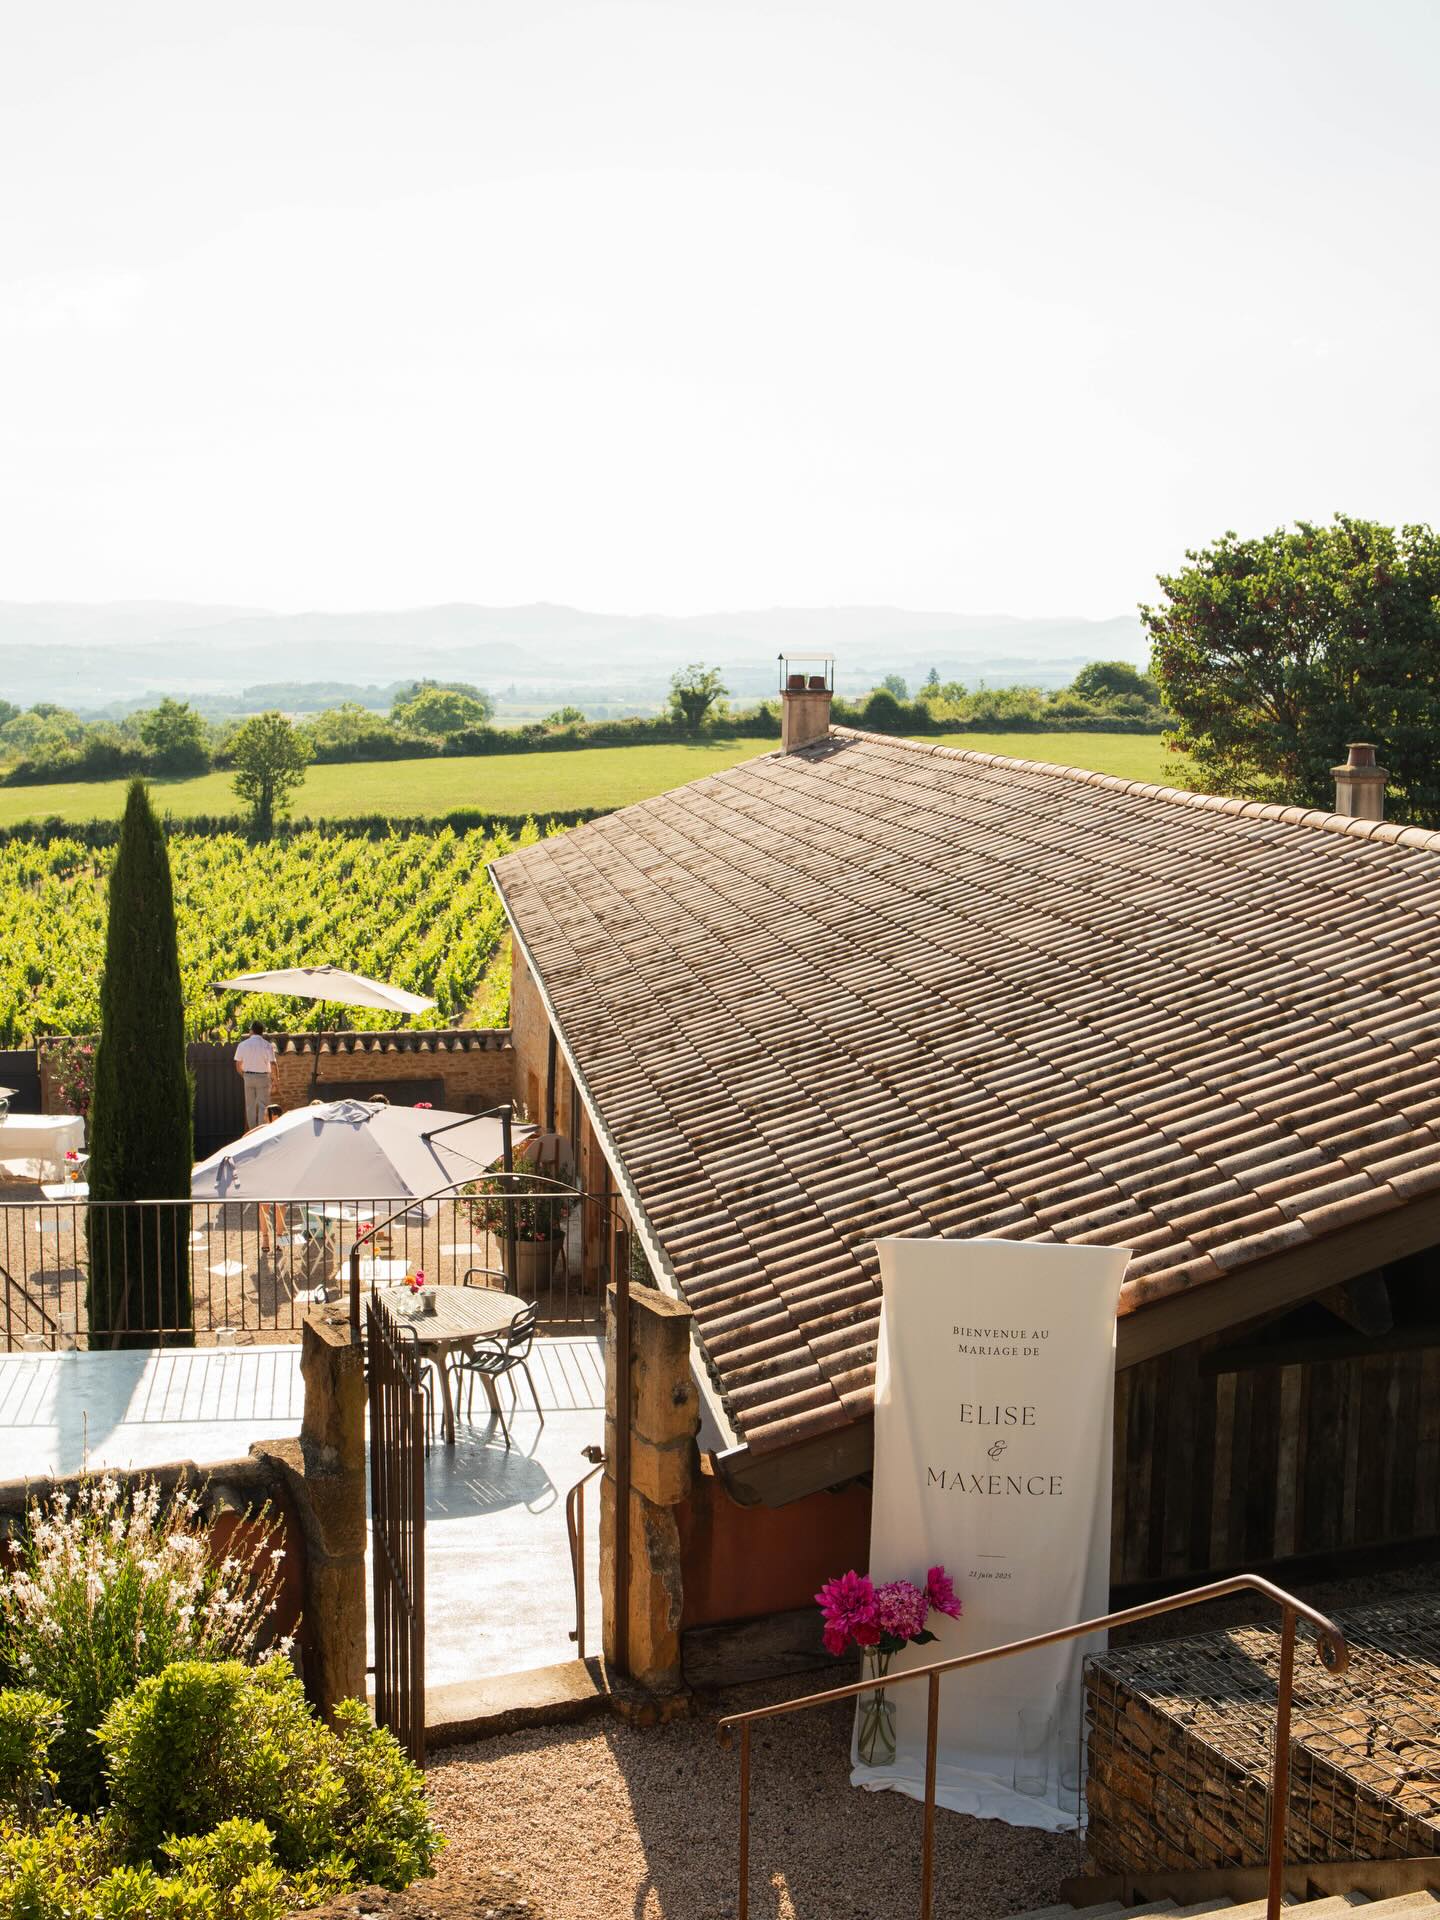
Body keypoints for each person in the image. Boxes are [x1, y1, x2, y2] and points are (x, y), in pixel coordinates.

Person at [233, 1020, 277, 1128]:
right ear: (262, 1032)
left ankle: (252, 1129)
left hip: (248, 1076)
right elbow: (273, 1064)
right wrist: (276, 1079)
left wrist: (244, 1075)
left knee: (250, 1106)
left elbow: (238, 1064)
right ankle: (260, 1129)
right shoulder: (267, 1045)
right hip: (263, 1077)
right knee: (263, 1105)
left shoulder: (242, 1045)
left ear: (251, 1031)